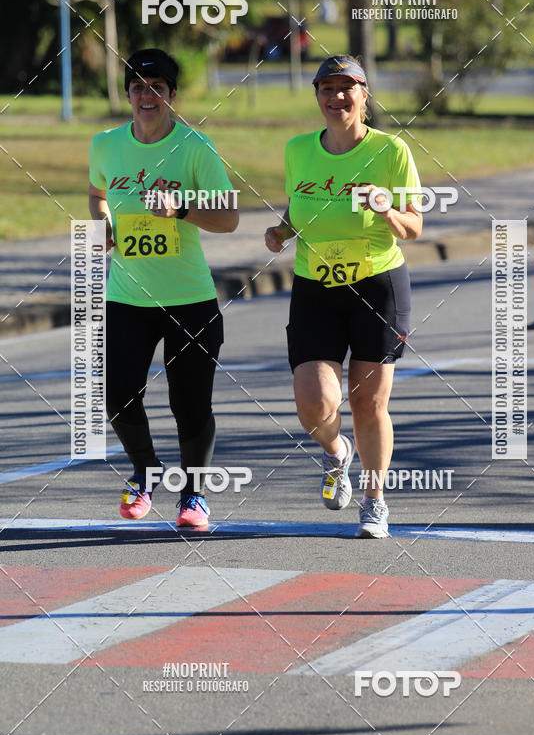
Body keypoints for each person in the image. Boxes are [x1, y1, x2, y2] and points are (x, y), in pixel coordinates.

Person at [265, 54, 422, 538]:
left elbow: (414, 226)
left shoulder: (391, 151)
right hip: (315, 285)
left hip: (377, 284)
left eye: (346, 89)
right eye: (326, 89)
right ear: (316, 96)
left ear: (364, 96)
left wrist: (386, 211)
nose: (336, 98)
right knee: (314, 404)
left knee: (368, 403)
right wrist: (281, 231)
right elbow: (300, 202)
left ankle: (374, 501)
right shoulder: (298, 149)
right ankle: (337, 454)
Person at [88, 48, 238, 527]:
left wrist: (182, 210)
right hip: (126, 296)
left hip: (188, 300)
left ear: (172, 95)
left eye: (157, 87)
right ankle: (145, 469)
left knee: (189, 403)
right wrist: (104, 221)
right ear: (127, 92)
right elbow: (97, 193)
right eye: (137, 86)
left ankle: (194, 496)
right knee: (115, 391)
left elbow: (229, 218)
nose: (146, 96)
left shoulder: (196, 148)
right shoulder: (106, 144)